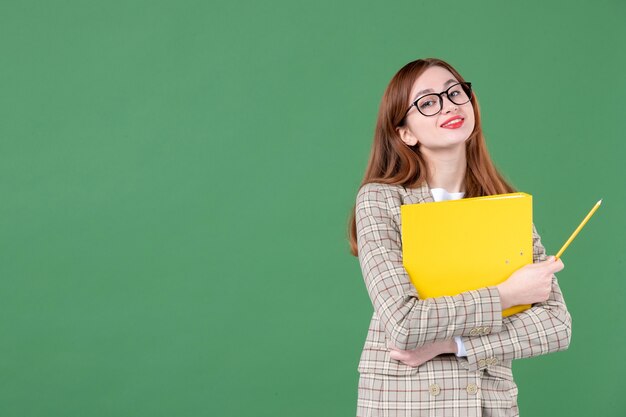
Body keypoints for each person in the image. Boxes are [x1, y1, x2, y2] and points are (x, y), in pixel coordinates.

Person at [347, 58, 572, 417]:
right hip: (407, 401)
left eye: (454, 93)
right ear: (405, 132)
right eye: (428, 102)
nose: (449, 104)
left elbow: (556, 326)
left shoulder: (505, 207)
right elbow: (403, 324)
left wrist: (452, 344)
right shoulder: (382, 199)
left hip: (488, 403)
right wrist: (507, 295)